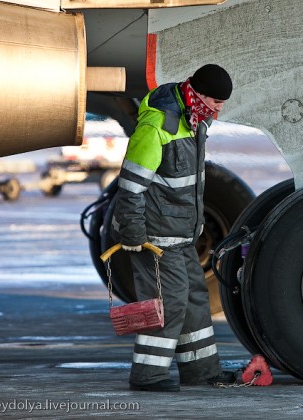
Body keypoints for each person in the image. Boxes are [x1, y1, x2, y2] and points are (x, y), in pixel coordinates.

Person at [111, 64, 235, 392]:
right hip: (154, 237)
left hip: (180, 235)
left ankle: (202, 371)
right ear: (198, 95)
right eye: (216, 102)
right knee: (169, 301)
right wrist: (134, 233)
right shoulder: (157, 126)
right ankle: (148, 375)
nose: (218, 110)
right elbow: (131, 186)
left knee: (196, 297)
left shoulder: (192, 120)